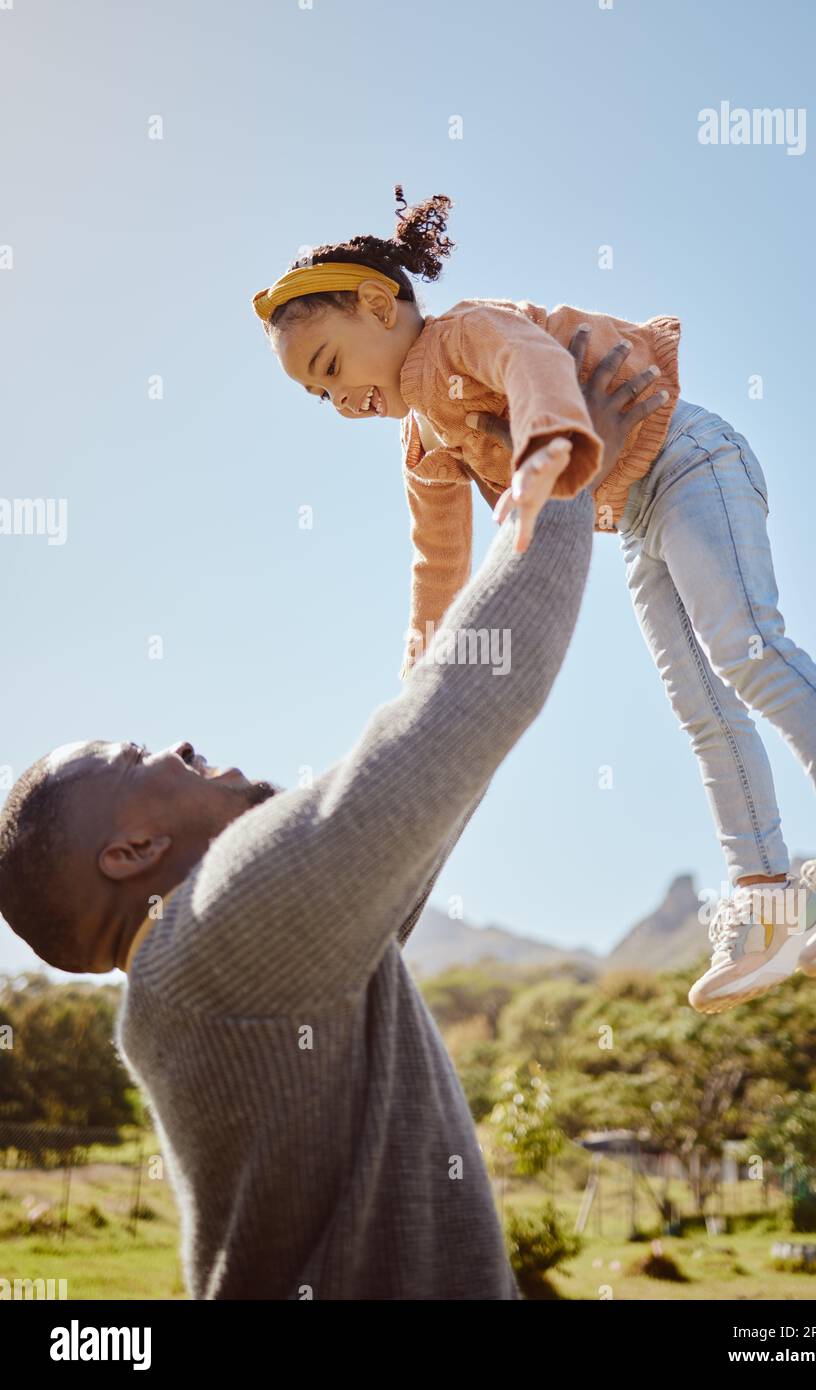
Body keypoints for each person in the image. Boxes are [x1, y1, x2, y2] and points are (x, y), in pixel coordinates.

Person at [0, 341, 657, 1299]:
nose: (181, 744)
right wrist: (563, 456)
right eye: (143, 758)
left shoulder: (223, 968)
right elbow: (464, 711)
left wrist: (502, 489)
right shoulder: (220, 929)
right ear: (132, 849)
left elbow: (430, 787)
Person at [251, 185, 816, 1016]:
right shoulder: (421, 441)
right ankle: (764, 895)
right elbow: (438, 557)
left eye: (330, 366)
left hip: (690, 459)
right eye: (320, 396)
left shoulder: (465, 331)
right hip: (635, 514)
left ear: (379, 305)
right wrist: (425, 657)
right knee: (698, 702)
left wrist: (542, 450)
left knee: (743, 644)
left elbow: (535, 368)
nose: (339, 398)